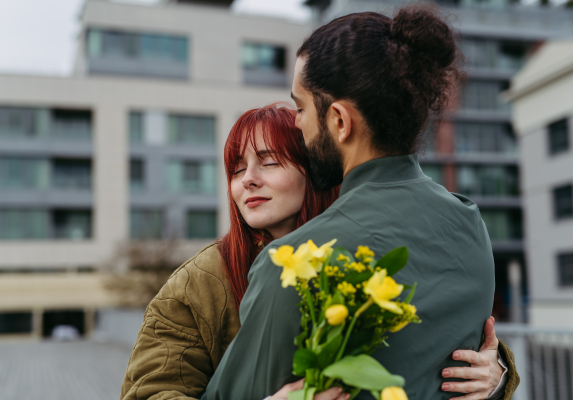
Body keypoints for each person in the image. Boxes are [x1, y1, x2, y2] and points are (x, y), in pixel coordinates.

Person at [202, 5, 519, 400]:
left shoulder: (296, 263)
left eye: (300, 108)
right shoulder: (470, 223)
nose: (297, 123)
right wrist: (501, 376)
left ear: (339, 120)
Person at [120, 105, 514, 400]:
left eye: (269, 162)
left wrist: (496, 376)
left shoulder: (363, 248)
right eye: (237, 170)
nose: (249, 180)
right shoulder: (198, 283)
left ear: (315, 171)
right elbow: (149, 392)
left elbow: (418, 344)